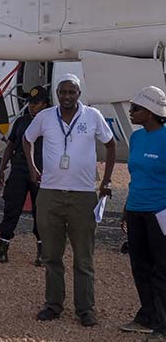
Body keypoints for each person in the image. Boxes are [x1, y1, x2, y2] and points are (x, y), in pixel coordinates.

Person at [24, 74, 115, 327]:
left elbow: (110, 145)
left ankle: (85, 309)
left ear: (79, 93)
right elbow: (27, 139)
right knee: (52, 256)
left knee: (83, 257)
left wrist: (106, 181)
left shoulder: (92, 116)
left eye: (72, 92)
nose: (67, 96)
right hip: (50, 194)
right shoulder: (44, 117)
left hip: (83, 195)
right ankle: (53, 305)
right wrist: (32, 168)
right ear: (57, 94)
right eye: (62, 92)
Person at [120, 86, 166, 342]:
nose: (132, 112)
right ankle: (147, 317)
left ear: (150, 112)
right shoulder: (137, 139)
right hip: (137, 209)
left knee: (161, 269)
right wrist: (127, 208)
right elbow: (134, 177)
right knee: (140, 266)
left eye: (136, 109)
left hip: (160, 212)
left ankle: (163, 324)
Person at [0, 86, 49, 265]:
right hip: (19, 169)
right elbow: (11, 145)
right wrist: (2, 168)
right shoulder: (21, 121)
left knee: (41, 212)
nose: (32, 107)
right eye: (30, 103)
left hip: (42, 172)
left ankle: (43, 252)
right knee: (11, 209)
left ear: (46, 104)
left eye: (36, 103)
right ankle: (2, 249)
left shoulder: (52, 122)